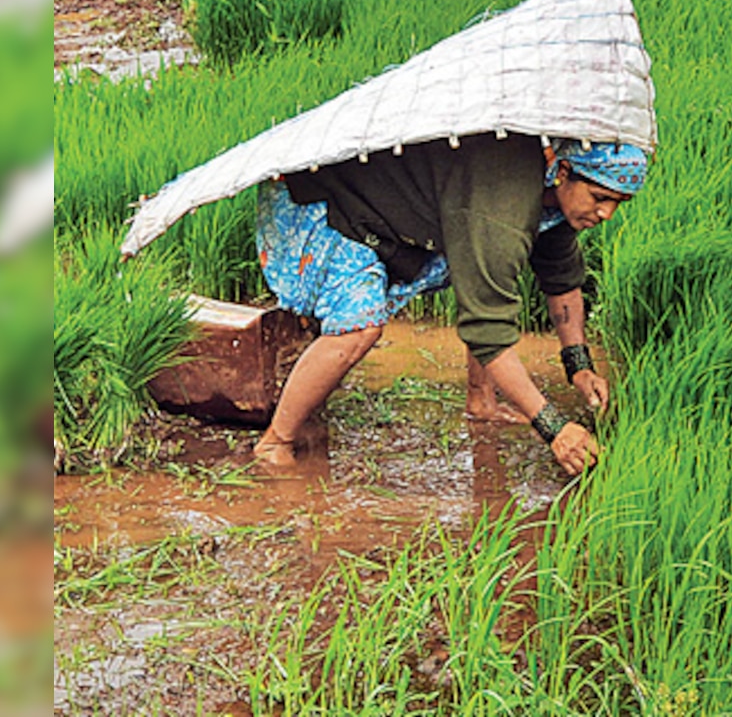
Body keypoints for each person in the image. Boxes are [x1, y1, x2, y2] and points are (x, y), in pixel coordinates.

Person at [251, 132, 648, 476]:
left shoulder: (548, 194)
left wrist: (578, 366)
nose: (607, 214)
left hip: (394, 210)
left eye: (618, 203)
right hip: (332, 205)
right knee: (359, 326)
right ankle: (274, 442)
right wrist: (555, 428)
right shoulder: (504, 204)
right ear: (562, 172)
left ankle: (482, 401)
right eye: (600, 197)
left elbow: (561, 277)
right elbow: (488, 329)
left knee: (487, 281)